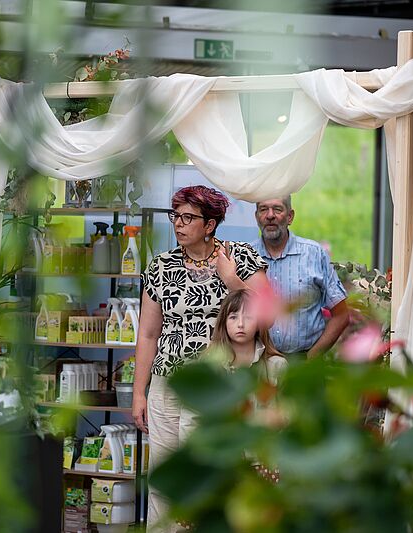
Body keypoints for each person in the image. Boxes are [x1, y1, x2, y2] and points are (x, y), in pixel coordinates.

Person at [132, 185, 268, 532]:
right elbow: (148, 334)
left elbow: (269, 313)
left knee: (204, 475)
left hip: (216, 385)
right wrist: (138, 393)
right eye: (175, 216)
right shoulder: (161, 266)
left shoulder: (239, 256)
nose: (178, 224)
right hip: (166, 382)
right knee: (164, 476)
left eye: (188, 217)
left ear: (210, 225)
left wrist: (231, 279)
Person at [251, 196, 349, 358]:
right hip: (258, 363)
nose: (270, 215)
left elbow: (341, 315)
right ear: (256, 217)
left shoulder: (314, 254)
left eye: (277, 209)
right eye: (263, 209)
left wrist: (311, 358)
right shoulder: (247, 255)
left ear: (290, 216)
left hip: (304, 361)